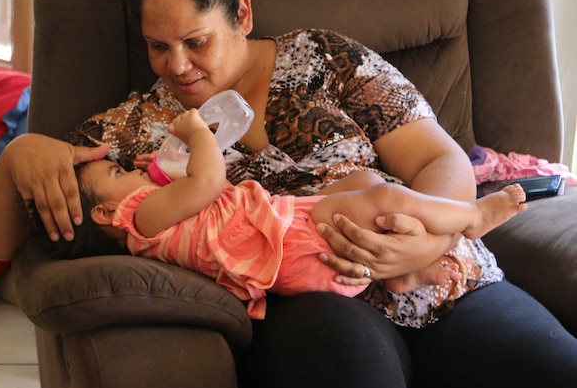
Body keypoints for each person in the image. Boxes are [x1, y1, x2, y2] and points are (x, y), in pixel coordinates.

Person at [0, 0, 577, 388]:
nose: (177, 67)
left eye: (196, 41)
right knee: (353, 377)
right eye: (157, 47)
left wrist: (423, 241)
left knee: (554, 372)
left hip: (441, 272)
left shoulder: (323, 57)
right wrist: (19, 157)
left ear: (241, 14)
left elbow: (440, 158)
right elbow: (1, 244)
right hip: (312, 298)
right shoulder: (140, 125)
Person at [40, 107, 528, 323]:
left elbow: (196, 193)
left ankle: (413, 265)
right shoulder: (137, 219)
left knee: (363, 184)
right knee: (385, 202)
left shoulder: (144, 212)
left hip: (280, 226)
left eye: (196, 40)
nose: (129, 168)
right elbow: (208, 183)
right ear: (106, 212)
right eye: (118, 172)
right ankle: (469, 216)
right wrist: (196, 135)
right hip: (289, 246)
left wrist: (164, 172)